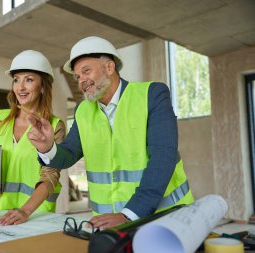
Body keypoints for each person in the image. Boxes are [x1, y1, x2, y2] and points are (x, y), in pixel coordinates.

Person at [27, 36, 194, 229]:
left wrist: (129, 214)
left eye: (86, 71)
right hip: (109, 224)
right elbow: (69, 154)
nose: (81, 81)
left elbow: (163, 158)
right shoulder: (83, 110)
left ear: (109, 67)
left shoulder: (152, 95)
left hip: (165, 218)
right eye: (78, 77)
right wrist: (47, 147)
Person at [0, 50, 66, 225]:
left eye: (29, 80)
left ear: (43, 87)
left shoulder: (54, 126)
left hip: (35, 214)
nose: (20, 87)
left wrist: (25, 211)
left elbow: (50, 175)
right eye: (16, 79)